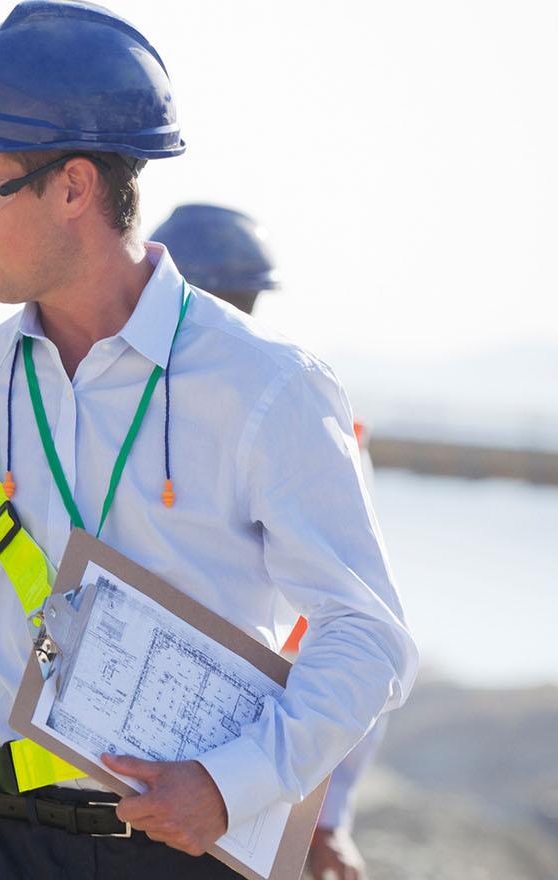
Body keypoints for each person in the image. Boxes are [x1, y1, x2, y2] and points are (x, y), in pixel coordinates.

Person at [0, 3, 418, 878]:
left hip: (182, 850)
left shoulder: (269, 388)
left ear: (75, 188)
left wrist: (230, 784)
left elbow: (368, 638)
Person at [152, 202, 382, 880]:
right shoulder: (305, 424)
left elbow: (366, 643)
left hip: (253, 765)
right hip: (243, 765)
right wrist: (328, 811)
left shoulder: (304, 424)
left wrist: (325, 811)